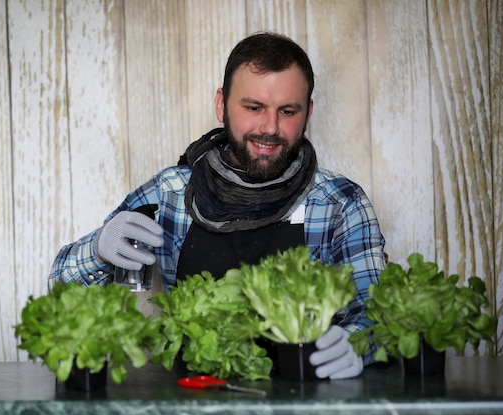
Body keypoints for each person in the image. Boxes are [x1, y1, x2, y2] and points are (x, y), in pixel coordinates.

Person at [48, 32, 387, 380]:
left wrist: (357, 343)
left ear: (308, 112)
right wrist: (100, 248)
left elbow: (375, 313)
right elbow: (61, 286)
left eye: (287, 111)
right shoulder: (171, 193)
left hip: (305, 400)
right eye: (253, 108)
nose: (270, 127)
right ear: (221, 105)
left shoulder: (339, 204)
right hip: (192, 400)